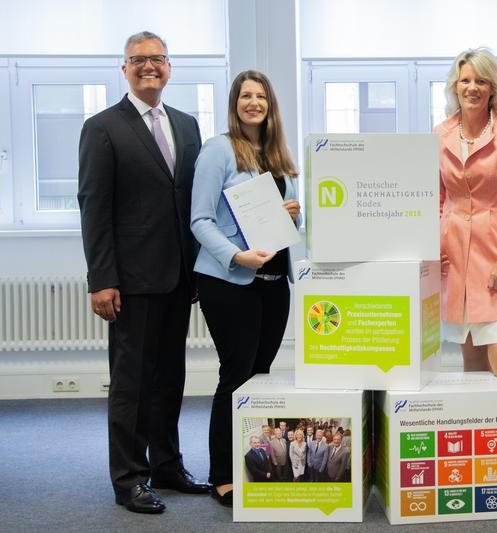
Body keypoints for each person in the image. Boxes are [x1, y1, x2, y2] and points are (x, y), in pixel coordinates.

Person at [77, 30, 210, 515]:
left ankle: (168, 465)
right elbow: (94, 207)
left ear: (169, 67)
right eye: (139, 60)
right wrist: (101, 279)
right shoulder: (102, 127)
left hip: (180, 276)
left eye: (157, 59)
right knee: (131, 383)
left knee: (170, 377)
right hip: (129, 282)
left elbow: (196, 198)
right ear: (124, 69)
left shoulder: (188, 124)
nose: (148, 66)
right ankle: (129, 478)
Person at [191, 69, 300, 507]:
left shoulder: (278, 155)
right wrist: (236, 256)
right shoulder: (218, 149)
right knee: (235, 376)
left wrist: (293, 214)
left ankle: (253, 465)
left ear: (270, 105)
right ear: (235, 103)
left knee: (260, 377)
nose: (253, 103)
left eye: (261, 96)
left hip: (275, 283)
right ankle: (222, 474)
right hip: (230, 281)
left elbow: (291, 222)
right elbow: (199, 219)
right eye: (245, 96)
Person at [434, 48, 497, 502]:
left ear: (493, 87)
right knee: (471, 364)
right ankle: (482, 461)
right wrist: (430, 251)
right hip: (453, 255)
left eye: (480, 81)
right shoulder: (439, 134)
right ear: (455, 87)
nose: (471, 88)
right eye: (464, 80)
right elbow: (436, 200)